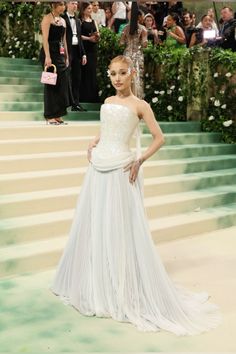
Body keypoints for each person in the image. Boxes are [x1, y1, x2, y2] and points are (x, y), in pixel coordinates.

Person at [52, 55, 220, 335]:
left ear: (132, 74)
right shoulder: (107, 102)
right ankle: (98, 279)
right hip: (98, 166)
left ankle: (121, 283)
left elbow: (159, 138)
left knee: (119, 227)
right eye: (113, 74)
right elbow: (106, 130)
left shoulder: (140, 106)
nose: (117, 78)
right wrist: (95, 139)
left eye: (122, 73)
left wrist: (139, 160)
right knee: (96, 224)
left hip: (121, 169)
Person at [39, 1, 72, 125]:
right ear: (55, 6)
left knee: (62, 83)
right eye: (61, 5)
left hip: (60, 53)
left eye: (64, 5)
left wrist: (67, 57)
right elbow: (45, 39)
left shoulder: (63, 21)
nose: (63, 7)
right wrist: (47, 57)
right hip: (49, 53)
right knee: (50, 83)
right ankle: (49, 115)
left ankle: (58, 114)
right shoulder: (47, 18)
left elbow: (64, 40)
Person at [62, 0, 87, 112]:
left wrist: (84, 54)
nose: (75, 5)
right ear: (67, 5)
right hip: (67, 50)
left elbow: (80, 38)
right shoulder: (62, 18)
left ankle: (75, 103)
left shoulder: (77, 20)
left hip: (77, 50)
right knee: (66, 76)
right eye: (72, 3)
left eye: (76, 4)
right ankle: (64, 102)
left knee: (77, 77)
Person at [120, 2, 148, 99]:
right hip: (138, 55)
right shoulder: (143, 29)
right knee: (137, 78)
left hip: (127, 55)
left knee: (126, 77)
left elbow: (121, 43)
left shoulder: (125, 28)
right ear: (139, 17)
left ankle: (125, 97)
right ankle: (137, 98)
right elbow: (145, 44)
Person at [79, 2, 100, 103]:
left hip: (93, 49)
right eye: (88, 8)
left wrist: (96, 36)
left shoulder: (94, 21)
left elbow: (98, 32)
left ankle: (92, 98)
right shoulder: (80, 21)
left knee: (92, 71)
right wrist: (89, 38)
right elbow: (78, 35)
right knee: (84, 71)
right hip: (84, 48)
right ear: (83, 9)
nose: (90, 10)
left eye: (91, 8)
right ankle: (83, 97)